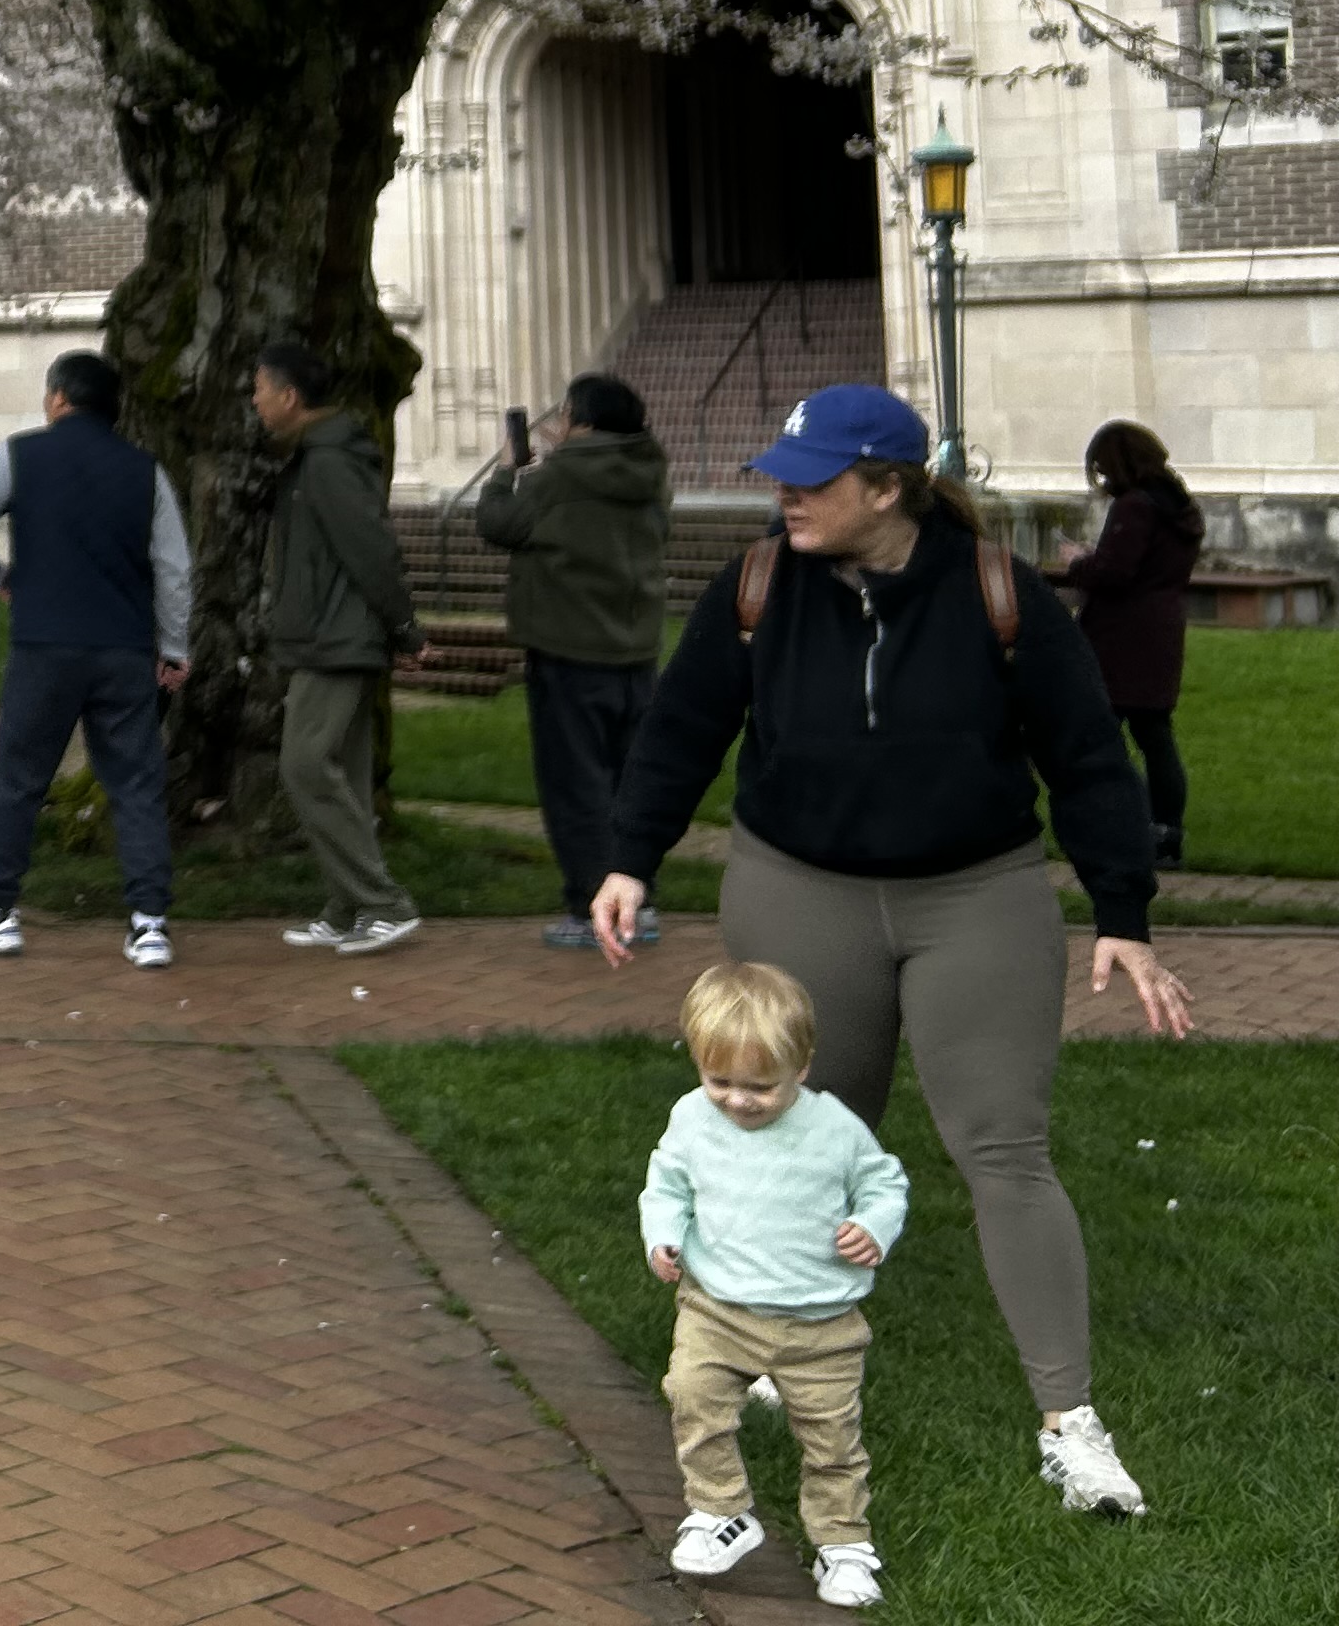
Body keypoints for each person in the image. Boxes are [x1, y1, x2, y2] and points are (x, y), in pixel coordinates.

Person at [592, 382, 1189, 1521]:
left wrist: (1123, 911)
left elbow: (1086, 755)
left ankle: (1070, 1424)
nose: (786, 497)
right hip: (797, 889)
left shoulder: (997, 592)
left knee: (1004, 1147)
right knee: (803, 1136)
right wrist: (631, 858)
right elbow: (681, 728)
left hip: (978, 897)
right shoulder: (758, 586)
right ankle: (768, 1348)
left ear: (886, 488)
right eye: (782, 478)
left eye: (811, 481)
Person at [640, 960, 908, 1609]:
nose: (738, 1100)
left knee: (831, 1439)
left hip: (820, 1322)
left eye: (760, 1086)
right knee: (693, 1397)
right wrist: (663, 1235)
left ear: (802, 1066)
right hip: (716, 1307)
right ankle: (721, 1511)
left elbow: (884, 1182)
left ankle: (844, 1544)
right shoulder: (691, 1117)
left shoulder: (834, 1127)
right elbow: (667, 1185)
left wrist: (873, 1225)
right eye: (720, 1081)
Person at [0, 348, 191, 971]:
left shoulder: (20, 455)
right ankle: (149, 924)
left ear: (57, 398)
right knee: (135, 784)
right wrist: (175, 646)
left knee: (19, 779)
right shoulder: (146, 471)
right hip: (124, 649)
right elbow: (174, 568)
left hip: (44, 644)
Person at [475, 373, 673, 950]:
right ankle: (637, 898)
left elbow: (498, 524)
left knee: (576, 785)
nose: (560, 424)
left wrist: (507, 469)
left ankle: (592, 907)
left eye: (565, 413)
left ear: (583, 421)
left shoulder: (561, 476)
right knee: (628, 779)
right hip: (636, 649)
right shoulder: (651, 472)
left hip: (569, 650)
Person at [250, 339, 424, 954]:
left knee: (304, 767)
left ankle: (384, 904)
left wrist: (404, 627)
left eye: (260, 389)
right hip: (328, 635)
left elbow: (371, 548)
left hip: (338, 639)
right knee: (342, 775)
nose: (254, 401)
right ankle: (349, 907)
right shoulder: (313, 455)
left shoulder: (328, 461)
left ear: (290, 396)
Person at [1057, 420, 1203, 867]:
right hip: (1161, 628)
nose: (1101, 479)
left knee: (1102, 734)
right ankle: (1166, 833)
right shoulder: (1179, 506)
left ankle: (1126, 826)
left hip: (1121, 635)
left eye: (1102, 469)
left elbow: (1115, 574)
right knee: (1155, 735)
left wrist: (1078, 563)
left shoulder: (1135, 506)